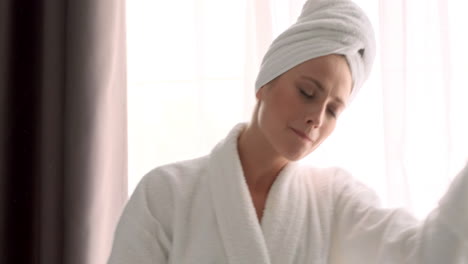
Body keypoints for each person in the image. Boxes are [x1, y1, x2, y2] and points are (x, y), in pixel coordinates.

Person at [108, 0, 468, 263]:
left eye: (332, 109)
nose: (316, 117)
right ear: (264, 83)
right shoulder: (166, 193)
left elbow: (427, 254)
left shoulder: (335, 199)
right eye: (307, 93)